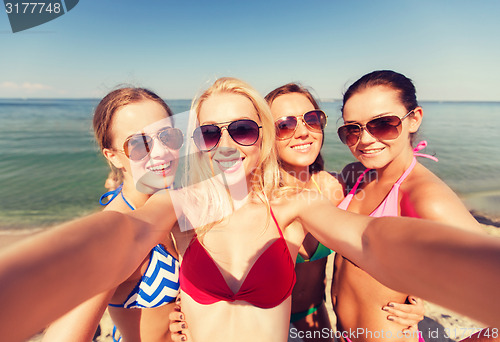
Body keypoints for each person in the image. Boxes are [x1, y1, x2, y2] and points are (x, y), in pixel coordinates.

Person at [0, 77, 499, 342]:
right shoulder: (180, 204)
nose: (228, 146)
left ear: (262, 135)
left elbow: (369, 239)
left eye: (242, 129)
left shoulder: (296, 201)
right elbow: (119, 237)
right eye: (209, 133)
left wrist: (459, 275)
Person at [332, 70, 487, 342]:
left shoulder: (425, 196)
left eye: (382, 124)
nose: (365, 139)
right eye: (352, 129)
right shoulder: (356, 174)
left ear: (413, 119)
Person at [42, 87, 183, 342]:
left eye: (167, 136)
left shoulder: (175, 196)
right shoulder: (114, 233)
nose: (161, 151)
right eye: (139, 144)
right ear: (113, 157)